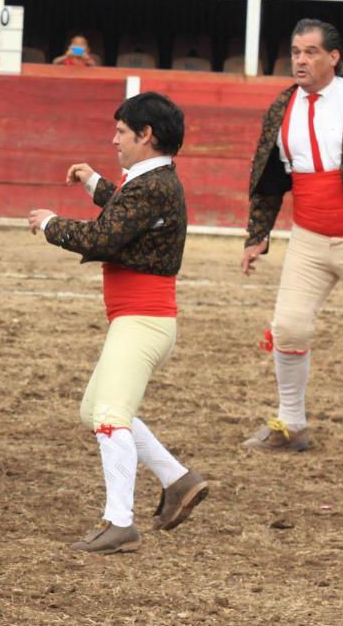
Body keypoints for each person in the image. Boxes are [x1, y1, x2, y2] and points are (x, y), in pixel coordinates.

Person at [28, 92, 206, 555]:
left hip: (142, 321)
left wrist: (51, 224)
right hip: (142, 317)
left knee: (108, 416)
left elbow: (106, 235)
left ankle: (120, 521)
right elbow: (127, 208)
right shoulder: (153, 183)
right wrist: (93, 183)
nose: (115, 140)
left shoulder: (152, 187)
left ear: (146, 136)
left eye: (122, 133)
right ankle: (177, 479)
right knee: (97, 411)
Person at [241, 19, 343, 458]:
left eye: (311, 52)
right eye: (296, 52)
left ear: (333, 57)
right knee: (289, 328)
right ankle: (290, 423)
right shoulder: (281, 109)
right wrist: (257, 235)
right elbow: (269, 176)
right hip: (309, 240)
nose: (300, 59)